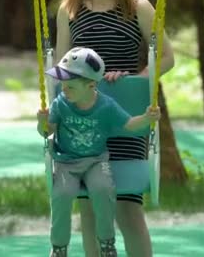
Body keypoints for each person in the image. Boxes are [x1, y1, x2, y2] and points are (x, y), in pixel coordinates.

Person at [54, 0, 175, 257]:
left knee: (126, 208)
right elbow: (62, 69)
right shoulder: (69, 10)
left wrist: (134, 80)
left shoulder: (138, 7)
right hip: (82, 125)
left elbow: (166, 57)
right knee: (90, 212)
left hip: (123, 118)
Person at [37, 47, 161, 257]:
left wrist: (147, 118)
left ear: (91, 85)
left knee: (103, 190)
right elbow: (47, 132)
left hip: (96, 161)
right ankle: (58, 247)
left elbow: (130, 124)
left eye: (71, 86)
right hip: (66, 162)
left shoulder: (106, 106)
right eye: (63, 84)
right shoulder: (60, 103)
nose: (64, 90)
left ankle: (106, 242)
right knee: (61, 195)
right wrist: (42, 123)